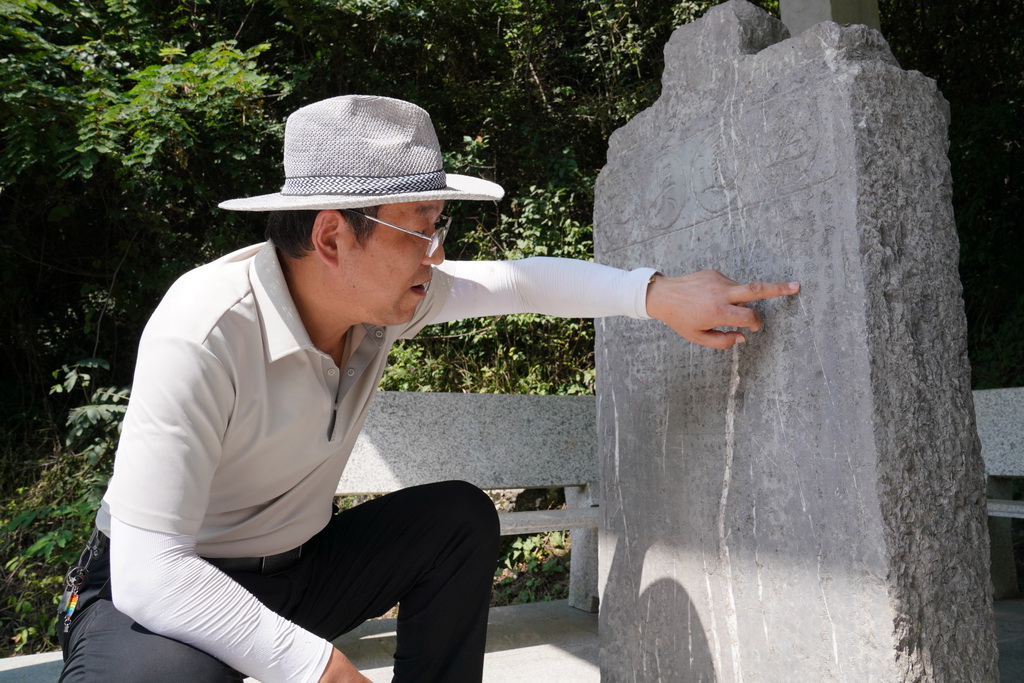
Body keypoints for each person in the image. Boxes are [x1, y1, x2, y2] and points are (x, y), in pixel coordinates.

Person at [56, 95, 799, 683]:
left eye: (439, 228)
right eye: (421, 230)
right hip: (159, 590)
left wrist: (659, 295)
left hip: (300, 567)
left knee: (457, 519)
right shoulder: (203, 328)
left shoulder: (385, 303)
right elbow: (152, 572)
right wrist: (318, 666)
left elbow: (521, 282)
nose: (437, 255)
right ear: (331, 237)